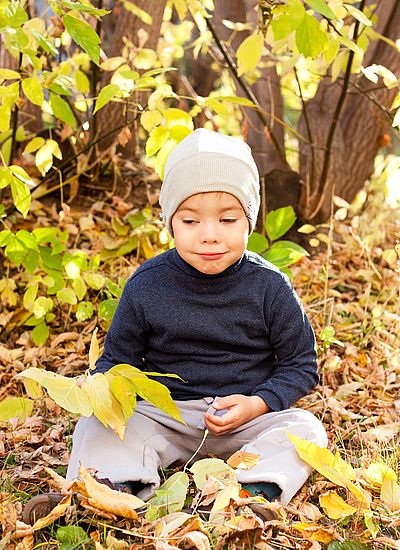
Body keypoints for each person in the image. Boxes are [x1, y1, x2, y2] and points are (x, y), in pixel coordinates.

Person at [22, 128, 327, 524]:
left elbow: (301, 364)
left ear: (249, 220)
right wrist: (97, 386)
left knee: (305, 429)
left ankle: (252, 494)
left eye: (228, 218)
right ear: (170, 222)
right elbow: (118, 359)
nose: (210, 234)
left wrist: (258, 403)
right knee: (96, 425)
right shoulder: (148, 285)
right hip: (166, 416)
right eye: (190, 220)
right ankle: (107, 491)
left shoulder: (269, 287)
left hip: (246, 419)